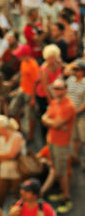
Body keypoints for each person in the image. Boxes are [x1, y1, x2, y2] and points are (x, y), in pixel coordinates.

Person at [42, 78, 76, 214]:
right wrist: (55, 124)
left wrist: (54, 124)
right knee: (56, 169)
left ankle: (66, 198)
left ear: (65, 90)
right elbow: (44, 118)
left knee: (62, 173)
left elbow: (52, 122)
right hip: (52, 141)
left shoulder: (68, 106)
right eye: (55, 88)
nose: (56, 91)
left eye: (60, 88)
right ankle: (63, 193)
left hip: (61, 144)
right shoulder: (55, 102)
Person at [0, 115, 26, 208]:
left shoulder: (17, 136)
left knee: (18, 197)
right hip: (4, 172)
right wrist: (6, 155)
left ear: (2, 128)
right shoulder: (0, 138)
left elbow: (12, 155)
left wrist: (3, 155)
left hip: (17, 172)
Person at [8, 45, 39, 141]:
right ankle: (19, 131)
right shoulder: (23, 62)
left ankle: (30, 136)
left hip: (30, 93)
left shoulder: (33, 65)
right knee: (13, 109)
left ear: (25, 55)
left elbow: (35, 83)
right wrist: (18, 88)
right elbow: (23, 76)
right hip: (22, 90)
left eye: (20, 55)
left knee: (30, 116)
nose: (18, 57)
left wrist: (33, 98)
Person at [35, 44, 63, 140]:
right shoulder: (44, 69)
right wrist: (51, 102)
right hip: (44, 95)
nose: (51, 60)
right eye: (49, 58)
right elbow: (45, 88)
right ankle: (45, 138)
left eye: (53, 58)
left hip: (55, 92)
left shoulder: (58, 64)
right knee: (46, 115)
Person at [67, 61, 85, 169]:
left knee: (84, 139)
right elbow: (67, 94)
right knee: (74, 138)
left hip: (82, 116)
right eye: (75, 70)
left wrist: (77, 111)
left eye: (78, 70)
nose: (76, 72)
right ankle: (75, 157)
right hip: (72, 115)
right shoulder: (70, 80)